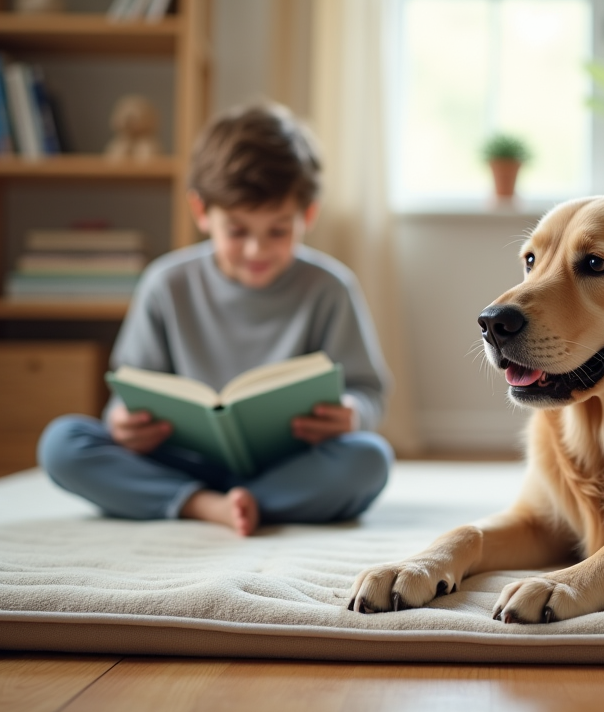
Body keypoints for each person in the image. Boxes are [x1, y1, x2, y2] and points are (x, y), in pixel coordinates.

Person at [38, 103, 393, 536]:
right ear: (202, 211)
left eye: (278, 231)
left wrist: (352, 413)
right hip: (179, 459)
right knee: (62, 444)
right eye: (238, 231)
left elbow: (367, 391)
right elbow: (128, 388)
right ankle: (207, 505)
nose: (256, 251)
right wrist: (121, 423)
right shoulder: (165, 284)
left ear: (308, 215)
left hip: (291, 462)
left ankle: (243, 500)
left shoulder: (331, 288)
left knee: (369, 459)